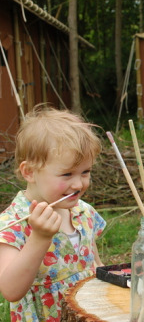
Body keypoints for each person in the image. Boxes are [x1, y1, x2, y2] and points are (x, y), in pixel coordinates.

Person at [0, 105, 106, 322]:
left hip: (85, 313)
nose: (78, 183)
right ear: (29, 172)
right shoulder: (13, 224)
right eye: (66, 174)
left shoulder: (83, 211)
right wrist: (39, 237)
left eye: (85, 172)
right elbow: (10, 290)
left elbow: (93, 263)